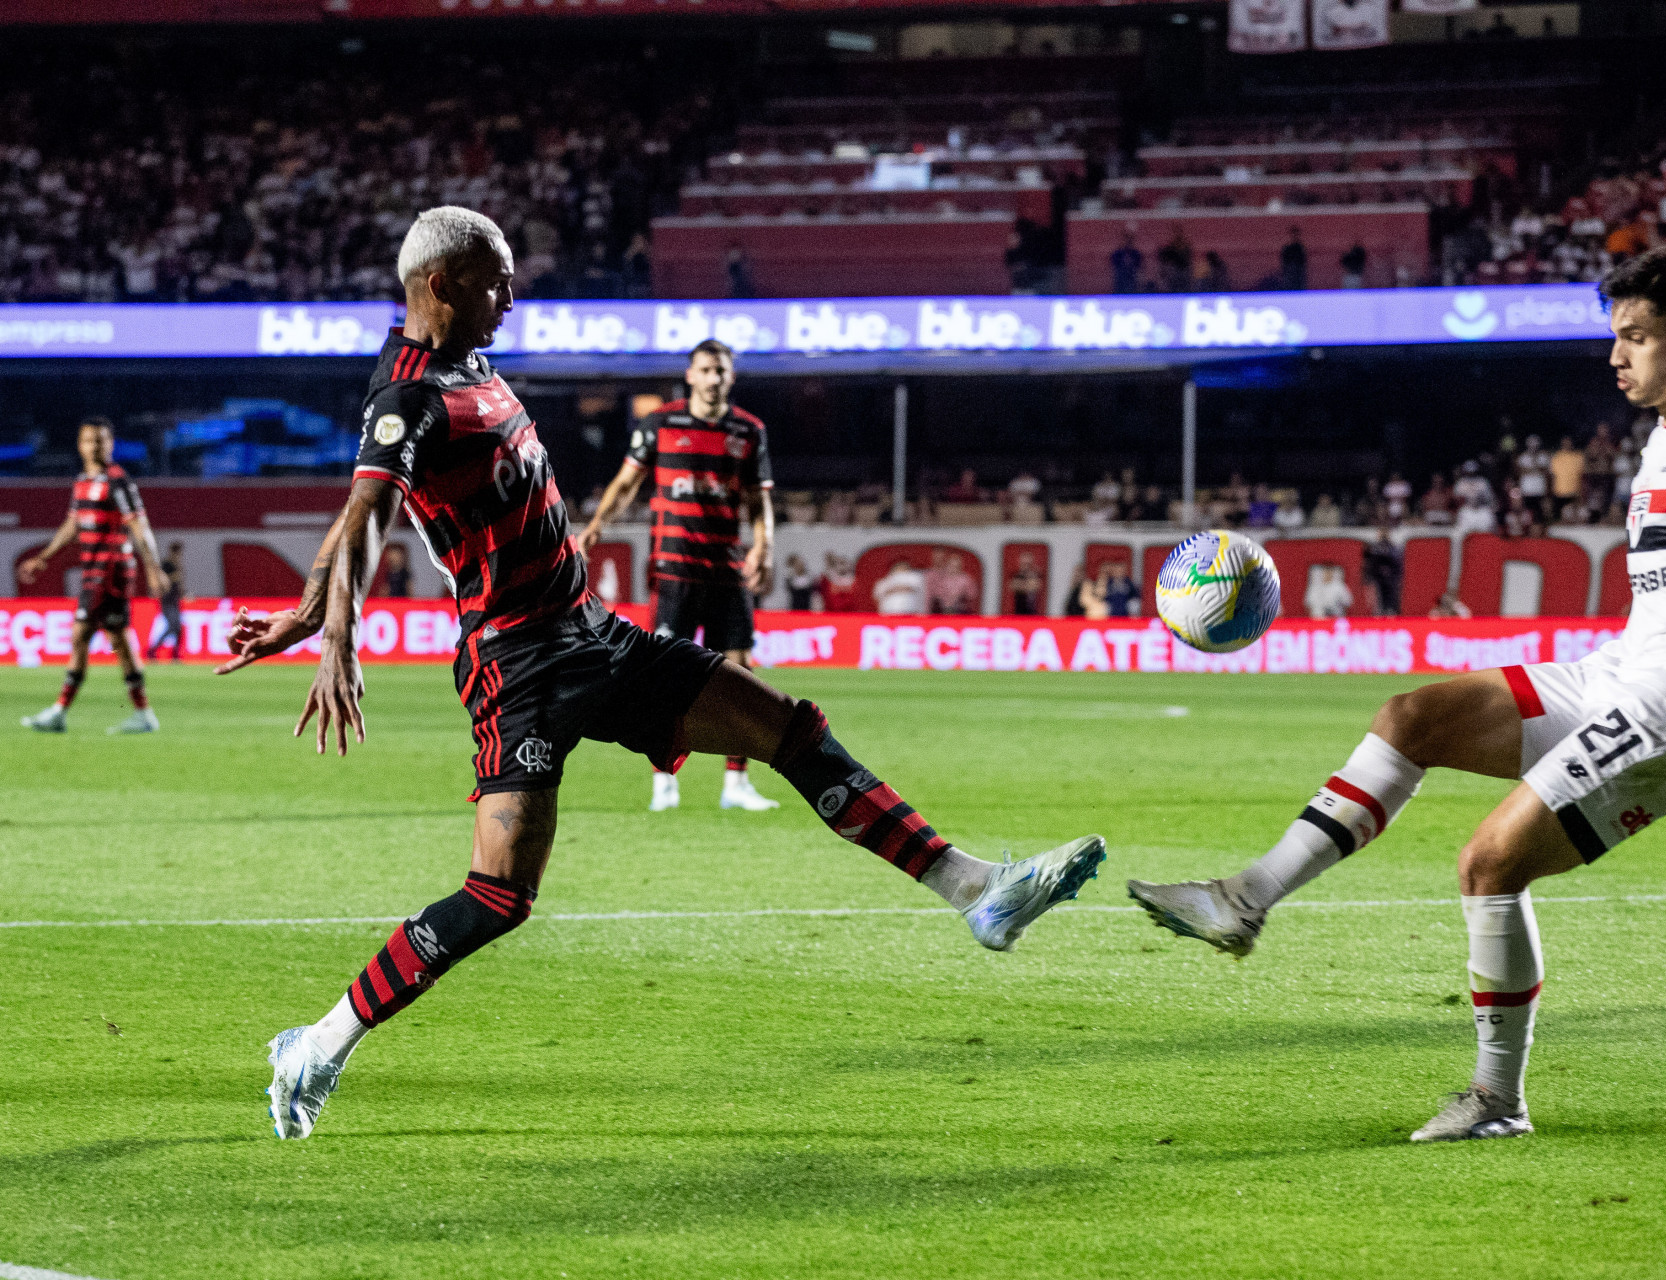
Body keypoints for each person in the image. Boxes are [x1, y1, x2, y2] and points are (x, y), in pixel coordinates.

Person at [220, 207, 1104, 1142]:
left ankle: (976, 891)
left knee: (788, 729)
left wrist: (307, 608)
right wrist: (335, 633)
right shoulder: (408, 395)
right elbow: (365, 513)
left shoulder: (470, 366)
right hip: (518, 667)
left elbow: (361, 520)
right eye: (496, 280)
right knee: (499, 896)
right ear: (441, 285)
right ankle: (317, 1045)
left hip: (595, 635)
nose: (512, 296)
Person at [1128, 246, 1666, 1143]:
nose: (1616, 356)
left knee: (1490, 864)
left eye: (1637, 337)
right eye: (1615, 336)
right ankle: (1243, 898)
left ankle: (1497, 1100)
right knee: (1413, 717)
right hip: (1619, 676)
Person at [578, 338, 782, 814]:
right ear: (690, 376)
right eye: (706, 370)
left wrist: (765, 547)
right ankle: (664, 781)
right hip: (674, 570)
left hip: (727, 570)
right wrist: (595, 527)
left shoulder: (749, 430)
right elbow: (626, 482)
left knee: (740, 675)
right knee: (666, 678)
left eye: (721, 371)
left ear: (731, 377)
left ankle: (736, 783)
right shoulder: (660, 424)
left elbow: (759, 500)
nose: (714, 378)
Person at [19, 416, 168, 734]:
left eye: (101, 440)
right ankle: (143, 713)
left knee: (80, 635)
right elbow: (72, 524)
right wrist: (44, 557)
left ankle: (59, 711)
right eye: (89, 440)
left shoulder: (118, 481)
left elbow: (139, 526)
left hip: (110, 570)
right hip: (94, 569)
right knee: (119, 639)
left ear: (111, 444)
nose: (95, 446)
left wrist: (153, 569)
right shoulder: (82, 481)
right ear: (80, 445)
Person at [154, 540, 186, 662]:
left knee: (177, 628)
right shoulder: (166, 564)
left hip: (175, 600)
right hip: (167, 600)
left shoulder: (177, 565)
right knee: (173, 626)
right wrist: (175, 576)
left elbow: (178, 585)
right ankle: (153, 649)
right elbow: (162, 580)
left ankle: (175, 653)